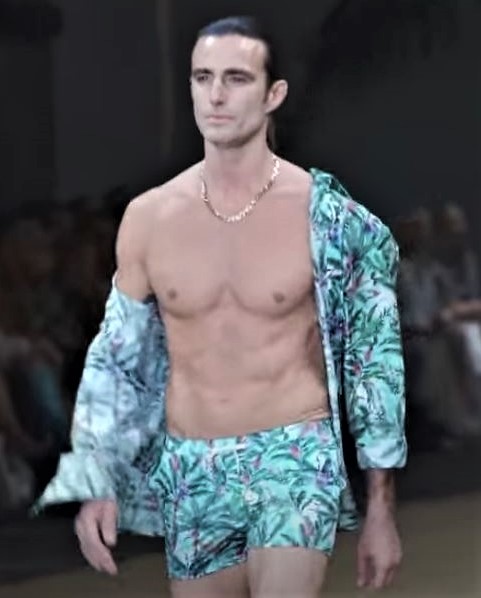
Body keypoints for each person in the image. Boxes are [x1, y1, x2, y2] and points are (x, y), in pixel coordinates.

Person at [36, 16, 407, 597]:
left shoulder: (328, 218)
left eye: (236, 78)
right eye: (202, 77)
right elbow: (117, 358)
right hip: (191, 468)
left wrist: (381, 508)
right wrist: (97, 477)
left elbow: (375, 361)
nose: (215, 95)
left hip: (292, 452)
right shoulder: (149, 218)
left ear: (273, 93)